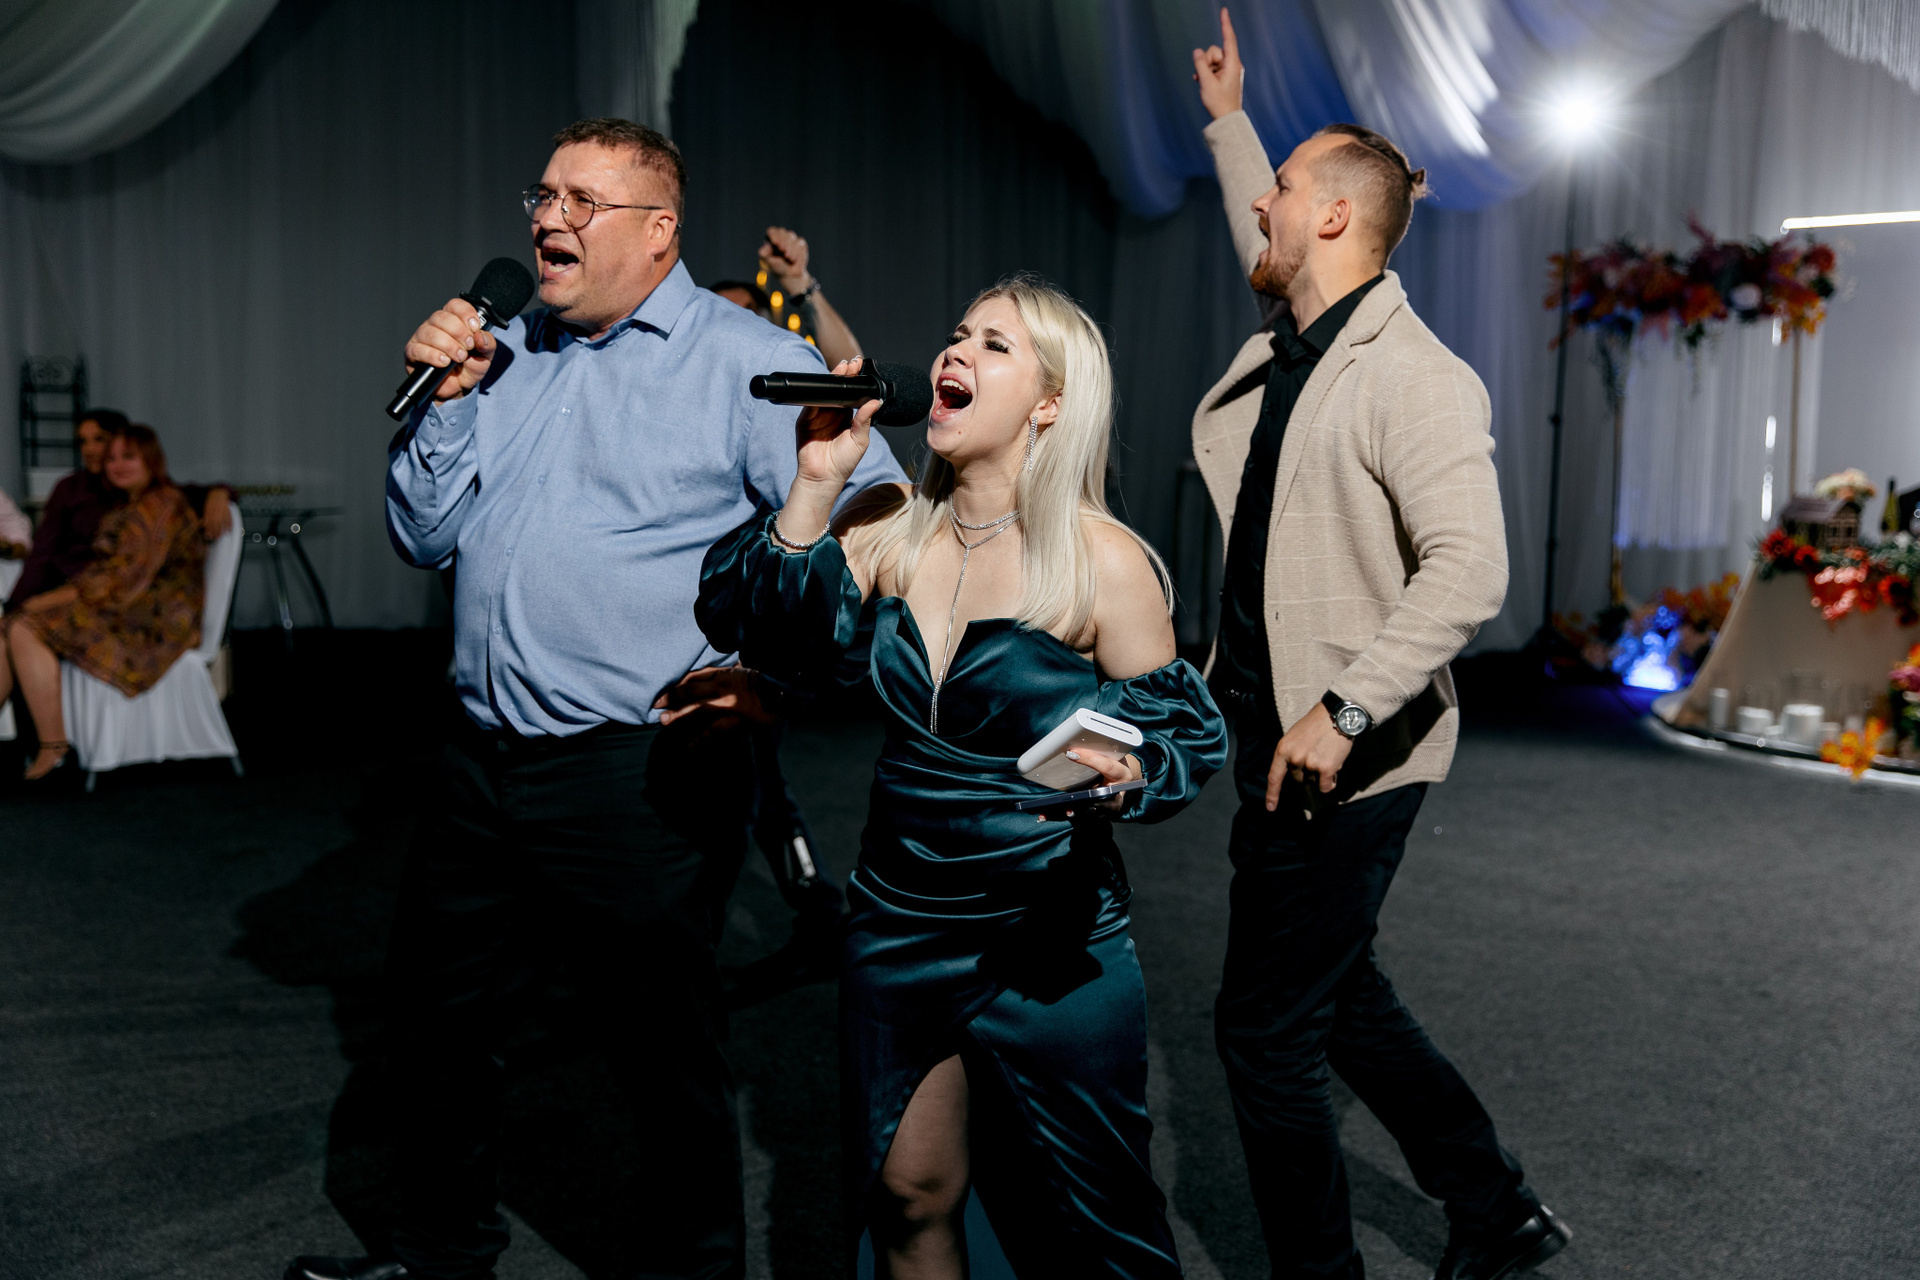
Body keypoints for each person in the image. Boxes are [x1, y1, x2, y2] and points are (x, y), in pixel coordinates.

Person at [285, 117, 906, 1280]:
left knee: (658, 1047)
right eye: (542, 196)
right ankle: (441, 1256)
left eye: (582, 200)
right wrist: (446, 400)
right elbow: (423, 534)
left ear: (659, 230)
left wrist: (776, 676)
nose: (548, 219)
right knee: (433, 1019)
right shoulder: (504, 349)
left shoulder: (740, 357)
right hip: (480, 759)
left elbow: (875, 516)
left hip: (638, 767)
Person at [697, 274, 1228, 1277]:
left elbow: (1180, 733)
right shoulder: (887, 521)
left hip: (1049, 933)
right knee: (907, 1195)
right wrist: (813, 482)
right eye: (957, 334)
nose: (954, 353)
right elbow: (754, 627)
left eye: (993, 344)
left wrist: (1131, 768)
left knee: (1101, 1217)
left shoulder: (1103, 560)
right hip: (897, 919)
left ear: (1050, 402)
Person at [1190, 13, 1570, 1280]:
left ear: (1336, 218)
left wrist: (1345, 709)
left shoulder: (1417, 377)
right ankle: (1497, 1208)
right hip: (1274, 734)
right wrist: (1233, 124)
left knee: (1266, 1034)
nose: (1264, 205)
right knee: (1340, 994)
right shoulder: (1302, 343)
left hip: (1349, 754)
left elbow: (1472, 570)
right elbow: (1264, 222)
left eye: (1285, 188)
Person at [0, 425, 207, 780]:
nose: (117, 465)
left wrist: (44, 602)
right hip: (123, 608)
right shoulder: (132, 502)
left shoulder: (161, 504)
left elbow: (120, 580)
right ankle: (52, 747)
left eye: (128, 457)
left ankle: (54, 748)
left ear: (150, 460)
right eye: (111, 459)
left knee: (23, 626)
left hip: (153, 623)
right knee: (9, 629)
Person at [5, 408, 233, 613]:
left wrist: (220, 492)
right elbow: (42, 554)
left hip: (116, 595)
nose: (89, 449)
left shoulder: (143, 491)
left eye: (99, 439)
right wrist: (16, 604)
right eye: (83, 442)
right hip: (68, 585)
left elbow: (183, 494)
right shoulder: (70, 488)